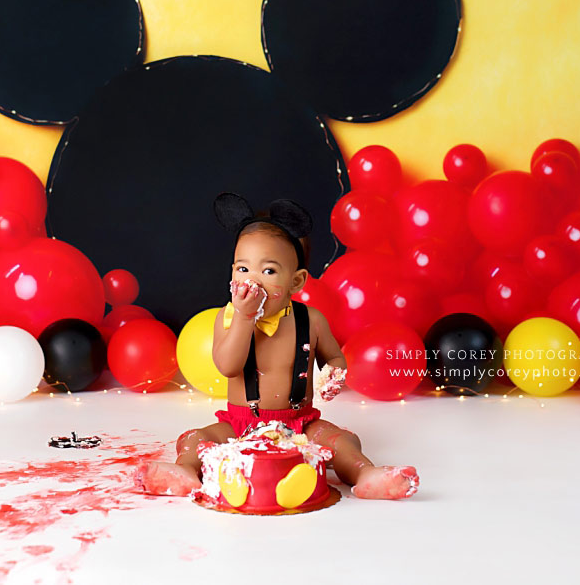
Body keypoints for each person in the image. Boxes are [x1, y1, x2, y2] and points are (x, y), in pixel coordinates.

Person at [134, 193, 419, 500]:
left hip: (300, 423)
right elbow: (228, 366)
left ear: (296, 282)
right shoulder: (227, 319)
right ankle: (185, 471)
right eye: (242, 269)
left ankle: (366, 474)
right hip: (241, 422)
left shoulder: (311, 320)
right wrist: (244, 317)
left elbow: (335, 357)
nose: (252, 281)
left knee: (342, 441)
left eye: (268, 271)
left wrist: (335, 373)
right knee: (195, 439)